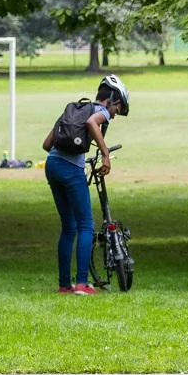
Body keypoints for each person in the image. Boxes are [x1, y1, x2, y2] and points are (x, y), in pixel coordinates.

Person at [42, 74, 131, 295]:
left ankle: (64, 285)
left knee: (69, 227)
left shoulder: (73, 109)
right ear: (111, 99)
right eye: (117, 109)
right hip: (70, 170)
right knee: (85, 226)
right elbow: (93, 123)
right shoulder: (99, 112)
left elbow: (46, 144)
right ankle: (81, 284)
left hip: (52, 165)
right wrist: (105, 154)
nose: (114, 115)